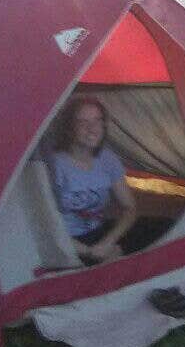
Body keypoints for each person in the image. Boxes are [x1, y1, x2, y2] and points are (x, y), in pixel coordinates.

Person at [50, 96, 141, 264]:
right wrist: (91, 252)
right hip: (67, 242)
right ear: (69, 128)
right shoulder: (54, 165)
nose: (92, 129)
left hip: (99, 234)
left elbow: (130, 208)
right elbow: (46, 226)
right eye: (83, 122)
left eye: (97, 121)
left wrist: (107, 244)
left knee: (163, 227)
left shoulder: (108, 159)